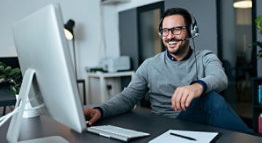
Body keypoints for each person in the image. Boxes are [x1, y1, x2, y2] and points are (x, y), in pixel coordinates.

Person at [84, 7, 251, 133]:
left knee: (210, 99)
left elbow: (220, 78)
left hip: (197, 125)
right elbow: (127, 98)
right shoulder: (149, 65)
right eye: (165, 31)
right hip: (163, 128)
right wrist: (100, 110)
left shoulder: (205, 57)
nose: (170, 36)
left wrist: (197, 87)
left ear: (192, 31)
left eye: (177, 29)